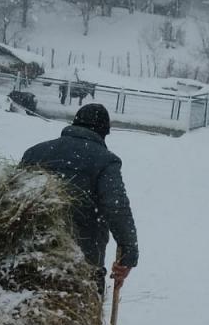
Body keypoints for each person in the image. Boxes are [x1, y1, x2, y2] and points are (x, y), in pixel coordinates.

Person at [20, 103, 139, 294]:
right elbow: (116, 206)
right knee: (77, 317)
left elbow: (15, 200)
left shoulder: (35, 153)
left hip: (31, 255)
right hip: (81, 261)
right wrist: (128, 252)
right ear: (104, 133)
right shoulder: (106, 160)